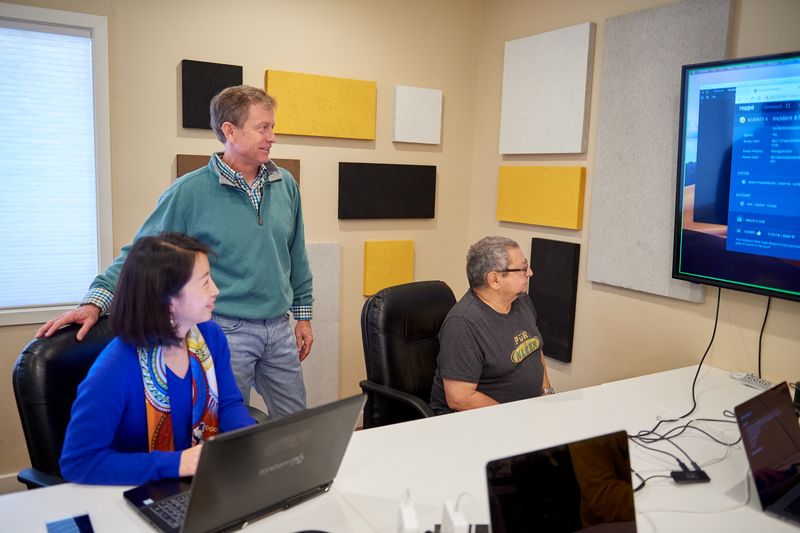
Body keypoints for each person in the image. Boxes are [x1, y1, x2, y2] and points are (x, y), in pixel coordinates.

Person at [37, 85, 313, 418]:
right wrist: (95, 301)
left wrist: (303, 316)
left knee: (298, 421)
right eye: (263, 128)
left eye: (272, 127)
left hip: (278, 328)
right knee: (226, 428)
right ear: (230, 130)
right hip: (225, 330)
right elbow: (141, 252)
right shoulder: (189, 192)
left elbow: (296, 253)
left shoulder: (285, 185)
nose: (273, 137)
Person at [60, 233, 255, 485]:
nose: (216, 289)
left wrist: (252, 442)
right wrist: (177, 463)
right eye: (205, 282)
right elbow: (79, 462)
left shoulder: (211, 337)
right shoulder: (114, 368)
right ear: (168, 299)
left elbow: (228, 406)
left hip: (200, 486)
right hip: (135, 494)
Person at [429, 236, 553, 414]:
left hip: (528, 415)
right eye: (523, 268)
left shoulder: (522, 301)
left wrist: (548, 395)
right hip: (486, 423)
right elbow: (460, 399)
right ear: (494, 280)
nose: (530, 273)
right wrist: (514, 418)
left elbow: (535, 351)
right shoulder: (462, 324)